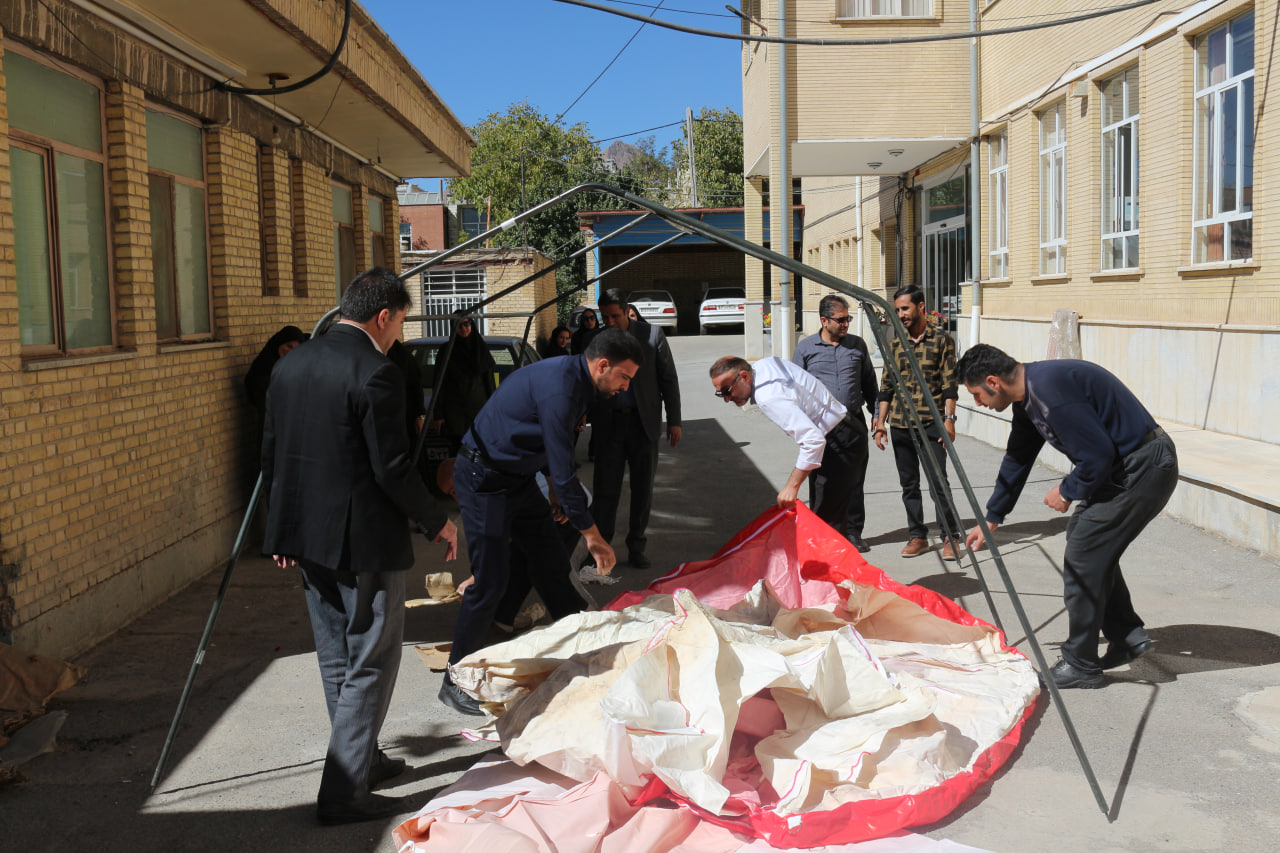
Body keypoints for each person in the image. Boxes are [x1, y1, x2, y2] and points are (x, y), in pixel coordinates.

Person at [261, 268, 459, 825]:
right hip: (363, 543)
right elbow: (391, 468)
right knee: (371, 660)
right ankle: (344, 791)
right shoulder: (377, 372)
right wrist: (437, 522)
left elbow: (271, 454)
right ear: (383, 316)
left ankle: (363, 760)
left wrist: (280, 530)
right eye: (400, 322)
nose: (399, 334)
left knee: (337, 658)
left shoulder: (290, 365)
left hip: (306, 538)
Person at [442, 328, 645, 715]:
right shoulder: (561, 389)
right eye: (624, 377)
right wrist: (592, 535)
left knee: (550, 562)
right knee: (490, 581)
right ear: (603, 365)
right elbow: (564, 467)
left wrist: (552, 488)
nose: (625, 387)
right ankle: (455, 680)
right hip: (484, 480)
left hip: (517, 479)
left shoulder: (580, 382)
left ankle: (583, 652)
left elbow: (557, 448)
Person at [958, 343, 1177, 689]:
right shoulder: (1029, 398)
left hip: (1143, 467)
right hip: (1128, 469)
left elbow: (1097, 455)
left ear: (993, 382)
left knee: (1083, 552)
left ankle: (1081, 663)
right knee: (1089, 546)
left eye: (976, 394)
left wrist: (1067, 490)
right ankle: (1126, 636)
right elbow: (1018, 457)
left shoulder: (1049, 390)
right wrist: (993, 516)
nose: (978, 402)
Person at [586, 289, 682, 569]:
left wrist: (674, 420)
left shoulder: (652, 335)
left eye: (614, 316)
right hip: (609, 425)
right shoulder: (596, 340)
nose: (609, 322)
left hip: (643, 425)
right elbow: (586, 381)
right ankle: (601, 549)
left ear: (627, 311)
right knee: (605, 491)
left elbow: (668, 379)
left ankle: (637, 546)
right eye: (604, 317)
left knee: (643, 490)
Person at [871, 285, 962, 560]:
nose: (901, 314)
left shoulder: (942, 340)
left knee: (939, 482)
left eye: (905, 308)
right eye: (897, 310)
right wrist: (880, 423)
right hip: (901, 425)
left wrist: (949, 421)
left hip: (932, 423)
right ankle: (917, 536)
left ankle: (950, 537)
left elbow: (949, 385)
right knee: (908, 484)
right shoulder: (894, 343)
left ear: (921, 307)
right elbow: (886, 387)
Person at [709, 355, 855, 517]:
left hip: (838, 441)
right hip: (846, 429)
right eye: (720, 394)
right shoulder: (765, 364)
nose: (727, 399)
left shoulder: (768, 397)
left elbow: (813, 441)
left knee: (827, 521)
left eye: (727, 390)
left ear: (744, 377)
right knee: (845, 512)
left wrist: (792, 486)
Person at [791, 294, 879, 551]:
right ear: (824, 320)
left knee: (854, 479)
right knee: (821, 480)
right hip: (820, 427)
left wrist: (877, 415)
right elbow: (795, 390)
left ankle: (853, 532)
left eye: (847, 319)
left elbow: (869, 382)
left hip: (853, 422)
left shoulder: (857, 345)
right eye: (840, 320)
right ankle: (821, 534)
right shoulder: (806, 349)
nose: (845, 324)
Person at [430, 317, 496, 454]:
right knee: (458, 454)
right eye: (459, 325)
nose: (463, 328)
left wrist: (493, 411)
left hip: (478, 412)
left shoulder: (480, 349)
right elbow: (439, 383)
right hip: (455, 415)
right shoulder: (447, 350)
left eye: (466, 324)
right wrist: (438, 414)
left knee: (479, 453)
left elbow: (489, 383)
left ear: (472, 325)